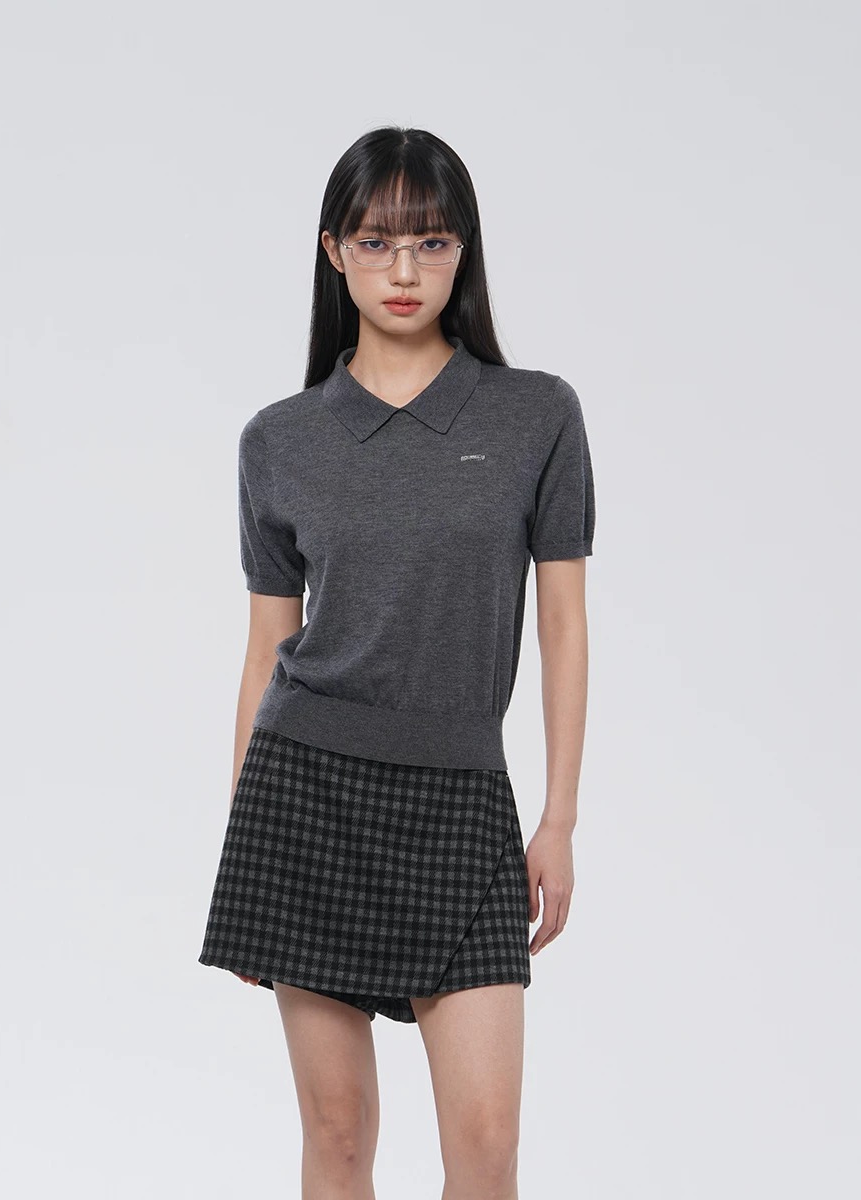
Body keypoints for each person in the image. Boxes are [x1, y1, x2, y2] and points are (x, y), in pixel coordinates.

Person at [198, 124, 595, 1198]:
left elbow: (563, 622)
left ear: (465, 251)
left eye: (431, 242)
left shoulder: (537, 416)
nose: (405, 270)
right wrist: (243, 847)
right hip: (307, 797)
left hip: (464, 799)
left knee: (487, 1144)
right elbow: (267, 646)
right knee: (338, 1135)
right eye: (377, 243)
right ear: (335, 252)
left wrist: (558, 817)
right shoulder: (279, 440)